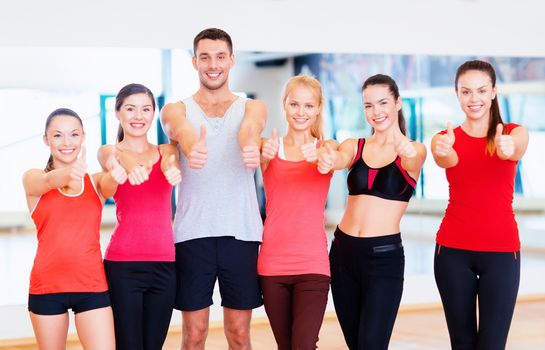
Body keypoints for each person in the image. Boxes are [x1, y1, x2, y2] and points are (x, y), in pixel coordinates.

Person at [160, 28, 267, 349]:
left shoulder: (251, 107)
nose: (213, 64)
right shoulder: (176, 109)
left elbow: (251, 128)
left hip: (242, 233)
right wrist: (192, 147)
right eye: (205, 57)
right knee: (194, 334)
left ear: (231, 60)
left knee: (239, 333)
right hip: (193, 234)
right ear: (194, 62)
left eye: (220, 56)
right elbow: (179, 129)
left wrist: (249, 144)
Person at [318, 74, 426, 349]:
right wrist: (330, 155)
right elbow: (340, 158)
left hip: (383, 260)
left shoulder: (413, 150)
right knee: (356, 343)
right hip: (342, 254)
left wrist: (406, 150)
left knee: (371, 344)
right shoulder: (356, 145)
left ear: (398, 103)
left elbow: (415, 157)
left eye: (382, 103)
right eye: (368, 106)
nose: (376, 112)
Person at [432, 60, 529, 350]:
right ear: (457, 94)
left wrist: (507, 147)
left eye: (481, 90)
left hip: (501, 252)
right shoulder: (445, 139)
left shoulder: (514, 132)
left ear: (494, 92)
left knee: (492, 344)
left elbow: (518, 146)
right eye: (466, 92)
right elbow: (445, 158)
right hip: (452, 252)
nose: (474, 98)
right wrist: (443, 151)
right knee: (461, 342)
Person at [23, 108, 117, 349]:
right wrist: (68, 173)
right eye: (57, 136)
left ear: (83, 137)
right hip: (47, 288)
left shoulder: (94, 182)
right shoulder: (33, 178)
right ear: (46, 140)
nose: (67, 143)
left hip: (92, 287)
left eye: (74, 135)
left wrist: (118, 171)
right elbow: (46, 181)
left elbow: (111, 183)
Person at [98, 83, 181, 350]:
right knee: (129, 345)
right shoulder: (109, 151)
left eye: (146, 109)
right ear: (118, 113)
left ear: (154, 114)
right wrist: (127, 163)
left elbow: (172, 161)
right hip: (123, 265)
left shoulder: (166, 152)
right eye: (131, 109)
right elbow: (110, 157)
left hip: (164, 264)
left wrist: (170, 169)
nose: (138, 116)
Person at [257, 75, 337, 349]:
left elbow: (335, 160)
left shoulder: (327, 147)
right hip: (272, 265)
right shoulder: (268, 147)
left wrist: (325, 160)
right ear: (284, 105)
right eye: (294, 104)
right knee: (285, 346)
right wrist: (262, 154)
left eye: (308, 105)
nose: (301, 112)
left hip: (312, 265)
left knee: (303, 344)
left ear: (317, 109)